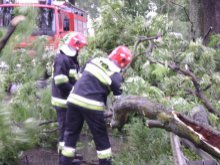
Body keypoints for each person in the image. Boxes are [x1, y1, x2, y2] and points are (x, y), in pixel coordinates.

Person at [61, 45, 133, 165]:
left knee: (70, 133)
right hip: (92, 106)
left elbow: (80, 77)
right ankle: (106, 162)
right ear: (124, 64)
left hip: (73, 100)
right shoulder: (116, 76)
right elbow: (121, 103)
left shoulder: (94, 60)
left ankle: (64, 162)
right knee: (101, 138)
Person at [51, 32, 87, 160]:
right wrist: (75, 90)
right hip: (62, 101)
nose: (81, 50)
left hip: (68, 100)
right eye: (80, 48)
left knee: (69, 128)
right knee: (65, 129)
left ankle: (68, 154)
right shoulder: (62, 59)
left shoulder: (71, 59)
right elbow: (60, 82)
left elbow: (73, 78)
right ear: (74, 47)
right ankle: (64, 157)